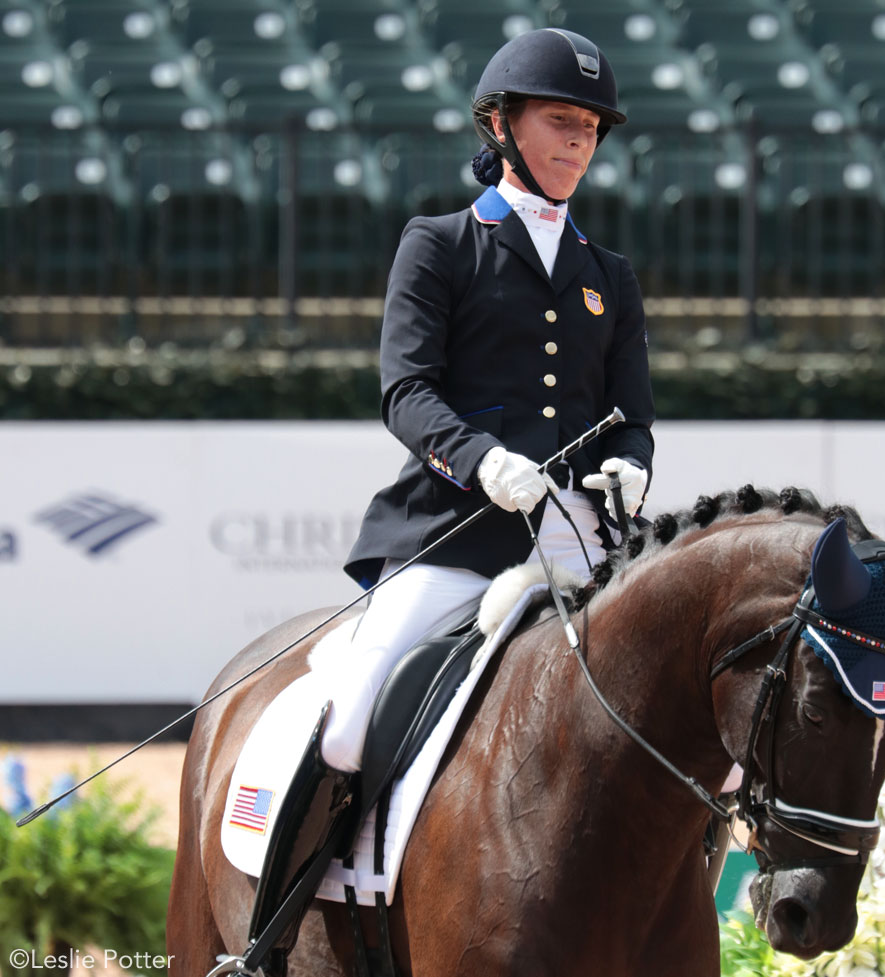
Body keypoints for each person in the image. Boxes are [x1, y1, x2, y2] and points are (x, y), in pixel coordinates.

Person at [246, 27, 655, 964]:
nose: (579, 143)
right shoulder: (438, 245)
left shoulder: (610, 278)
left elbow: (630, 417)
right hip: (455, 536)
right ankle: (272, 935)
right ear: (501, 124)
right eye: (561, 122)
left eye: (592, 128)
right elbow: (407, 389)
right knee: (348, 717)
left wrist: (633, 464)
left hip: (577, 545)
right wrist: (482, 460)